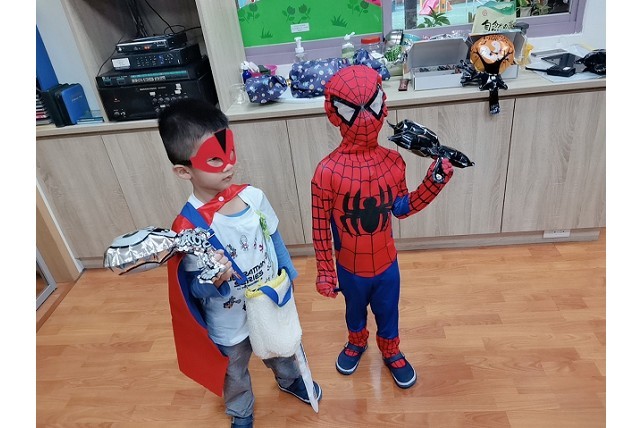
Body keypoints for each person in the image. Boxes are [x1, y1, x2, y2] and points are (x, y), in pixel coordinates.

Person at [157, 98, 321, 428]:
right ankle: (241, 410)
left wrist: (288, 275)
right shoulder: (188, 228)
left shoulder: (253, 197)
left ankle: (289, 379)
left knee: (282, 347)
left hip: (268, 298)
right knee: (233, 370)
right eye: (214, 159)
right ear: (184, 171)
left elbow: (272, 235)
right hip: (228, 320)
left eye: (230, 152)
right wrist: (214, 281)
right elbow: (194, 291)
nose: (228, 165)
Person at [311, 65, 454, 389]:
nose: (364, 118)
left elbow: (401, 208)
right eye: (352, 110)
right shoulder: (326, 172)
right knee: (354, 311)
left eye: (371, 106)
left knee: (388, 311)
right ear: (334, 113)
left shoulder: (393, 162)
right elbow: (320, 228)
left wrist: (433, 182)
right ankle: (356, 342)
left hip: (387, 263)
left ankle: (391, 350)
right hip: (350, 266)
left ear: (383, 105)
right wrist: (325, 272)